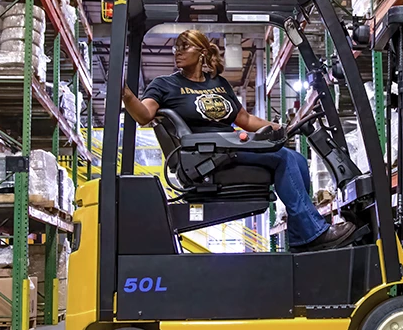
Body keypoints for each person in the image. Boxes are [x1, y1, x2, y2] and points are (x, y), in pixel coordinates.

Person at [122, 29, 356, 252]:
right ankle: (313, 232)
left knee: (297, 158)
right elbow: (144, 115)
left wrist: (281, 128)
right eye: (176, 48)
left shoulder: (219, 84)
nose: (178, 52)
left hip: (232, 146)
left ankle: (301, 238)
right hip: (208, 155)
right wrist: (126, 94)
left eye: (185, 46)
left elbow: (243, 118)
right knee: (282, 157)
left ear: (202, 52)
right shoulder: (165, 85)